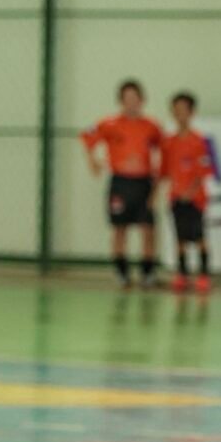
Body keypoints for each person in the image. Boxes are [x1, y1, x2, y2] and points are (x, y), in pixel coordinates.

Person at [80, 79, 163, 289]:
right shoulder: (109, 124)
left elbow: (163, 149)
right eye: (127, 98)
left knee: (148, 228)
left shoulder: (151, 126)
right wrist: (93, 160)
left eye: (135, 98)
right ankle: (121, 271)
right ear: (121, 101)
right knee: (120, 228)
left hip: (143, 182)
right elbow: (87, 136)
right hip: (120, 182)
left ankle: (147, 271)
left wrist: (157, 181)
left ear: (142, 100)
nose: (131, 102)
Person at [160, 92, 214, 293]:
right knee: (180, 237)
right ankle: (182, 273)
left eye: (184, 110)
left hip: (195, 199)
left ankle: (204, 274)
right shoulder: (169, 142)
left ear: (191, 113)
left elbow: (203, 171)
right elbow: (165, 171)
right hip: (176, 197)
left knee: (199, 236)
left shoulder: (199, 141)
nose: (180, 114)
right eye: (176, 110)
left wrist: (190, 191)